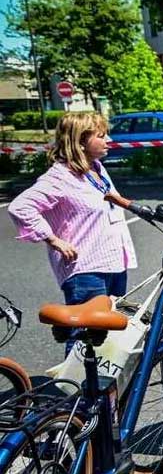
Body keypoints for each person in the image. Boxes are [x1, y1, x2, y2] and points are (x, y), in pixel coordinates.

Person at [9, 112, 138, 326]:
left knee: (110, 337)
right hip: (86, 269)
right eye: (101, 136)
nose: (109, 141)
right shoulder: (60, 177)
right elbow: (20, 207)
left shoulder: (96, 168)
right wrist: (53, 239)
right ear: (80, 142)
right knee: (84, 337)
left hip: (113, 263)